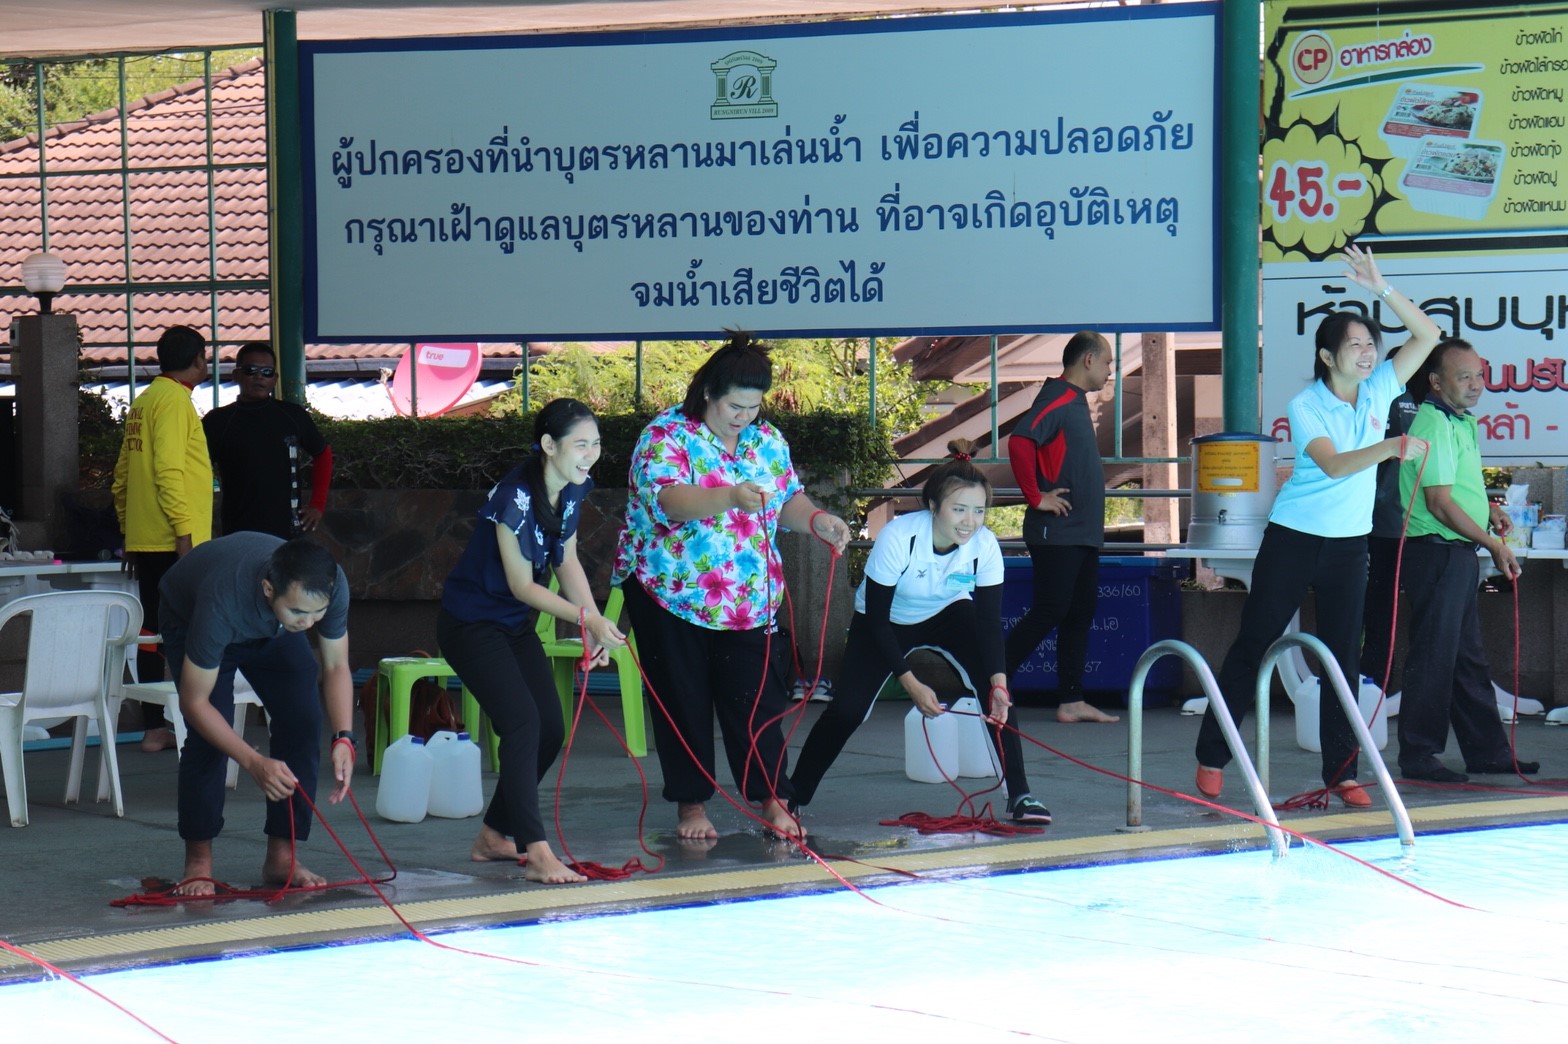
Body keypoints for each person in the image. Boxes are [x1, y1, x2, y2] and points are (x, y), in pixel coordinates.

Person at [1194, 244, 1441, 806]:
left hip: (1349, 547)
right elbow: (1333, 464)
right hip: (1294, 540)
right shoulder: (1306, 404)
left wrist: (1381, 288)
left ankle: (1341, 771)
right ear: (1328, 356)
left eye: (1370, 343)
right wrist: (1390, 447)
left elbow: (1427, 335)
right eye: (1354, 345)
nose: (1367, 352)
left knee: (1342, 658)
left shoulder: (1380, 387)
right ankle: (1211, 753)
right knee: (1254, 642)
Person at [613, 333, 851, 841]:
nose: (744, 416)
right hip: (670, 590)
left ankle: (773, 798)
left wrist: (818, 521)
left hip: (748, 596)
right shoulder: (666, 434)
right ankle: (691, 805)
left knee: (758, 700)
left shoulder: (767, 440)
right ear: (708, 394)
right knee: (683, 700)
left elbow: (788, 500)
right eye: (734, 406)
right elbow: (668, 500)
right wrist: (729, 497)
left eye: (753, 406)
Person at [790, 439, 1051, 823]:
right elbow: (877, 620)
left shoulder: (984, 546)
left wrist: (998, 681)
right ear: (933, 507)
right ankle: (791, 797)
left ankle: (1020, 795)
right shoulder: (900, 537)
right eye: (959, 509)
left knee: (997, 694)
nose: (969, 521)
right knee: (847, 710)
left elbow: (987, 622)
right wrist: (911, 683)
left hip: (949, 611)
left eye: (978, 510)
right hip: (885, 620)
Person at [437, 399, 625, 885]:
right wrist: (587, 618)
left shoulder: (573, 488)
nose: (590, 454)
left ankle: (493, 835)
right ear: (549, 445)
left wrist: (591, 624)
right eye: (580, 444)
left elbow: (566, 559)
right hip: (471, 625)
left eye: (596, 444)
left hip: (512, 625)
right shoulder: (513, 499)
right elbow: (523, 586)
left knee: (550, 728)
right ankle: (537, 851)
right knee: (522, 723)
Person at [160, 533, 355, 897]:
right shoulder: (222, 602)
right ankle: (198, 862)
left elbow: (336, 666)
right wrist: (253, 761)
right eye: (299, 612)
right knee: (208, 738)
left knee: (302, 721)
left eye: (318, 613)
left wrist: (344, 737)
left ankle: (282, 856)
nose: (309, 623)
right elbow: (194, 702)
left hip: (273, 628)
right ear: (268, 588)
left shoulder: (329, 585)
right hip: (192, 617)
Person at [1395, 338, 1539, 783]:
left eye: (1479, 375)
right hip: (1435, 550)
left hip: (1454, 552)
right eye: (1464, 377)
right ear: (1436, 382)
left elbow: (1456, 486)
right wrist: (1493, 544)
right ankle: (1418, 755)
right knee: (1434, 656)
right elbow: (1438, 503)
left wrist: (1487, 508)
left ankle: (1487, 753)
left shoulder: (1459, 421)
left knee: (1466, 658)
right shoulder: (1434, 423)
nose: (1476, 384)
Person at [1005, 329, 1120, 724]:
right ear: (1088, 360)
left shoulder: (1075, 400)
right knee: (1050, 609)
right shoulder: (1058, 397)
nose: (1110, 370)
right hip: (1057, 532)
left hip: (1081, 532)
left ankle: (1071, 700)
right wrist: (1036, 497)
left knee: (1079, 612)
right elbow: (1020, 442)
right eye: (1107, 362)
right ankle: (985, 684)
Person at [112, 324, 214, 753]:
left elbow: (122, 476)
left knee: (152, 630)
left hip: (147, 537)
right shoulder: (173, 401)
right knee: (188, 631)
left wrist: (130, 530)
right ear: (196, 359)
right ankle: (197, 722)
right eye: (205, 356)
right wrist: (183, 534)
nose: (207, 363)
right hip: (175, 541)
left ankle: (156, 726)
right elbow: (169, 471)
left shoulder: (145, 401)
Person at [203, 341, 334, 540]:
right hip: (238, 532)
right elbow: (197, 469)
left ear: (275, 379)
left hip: (287, 533)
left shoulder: (293, 416)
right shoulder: (218, 421)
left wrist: (317, 505)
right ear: (236, 375)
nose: (259, 377)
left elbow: (323, 454)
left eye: (266, 372)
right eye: (251, 370)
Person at [1358, 354, 1420, 693]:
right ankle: (1376, 686)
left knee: (1380, 609)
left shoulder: (1398, 399)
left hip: (1391, 524)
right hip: (1389, 524)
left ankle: (1375, 687)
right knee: (1382, 609)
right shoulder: (1382, 398)